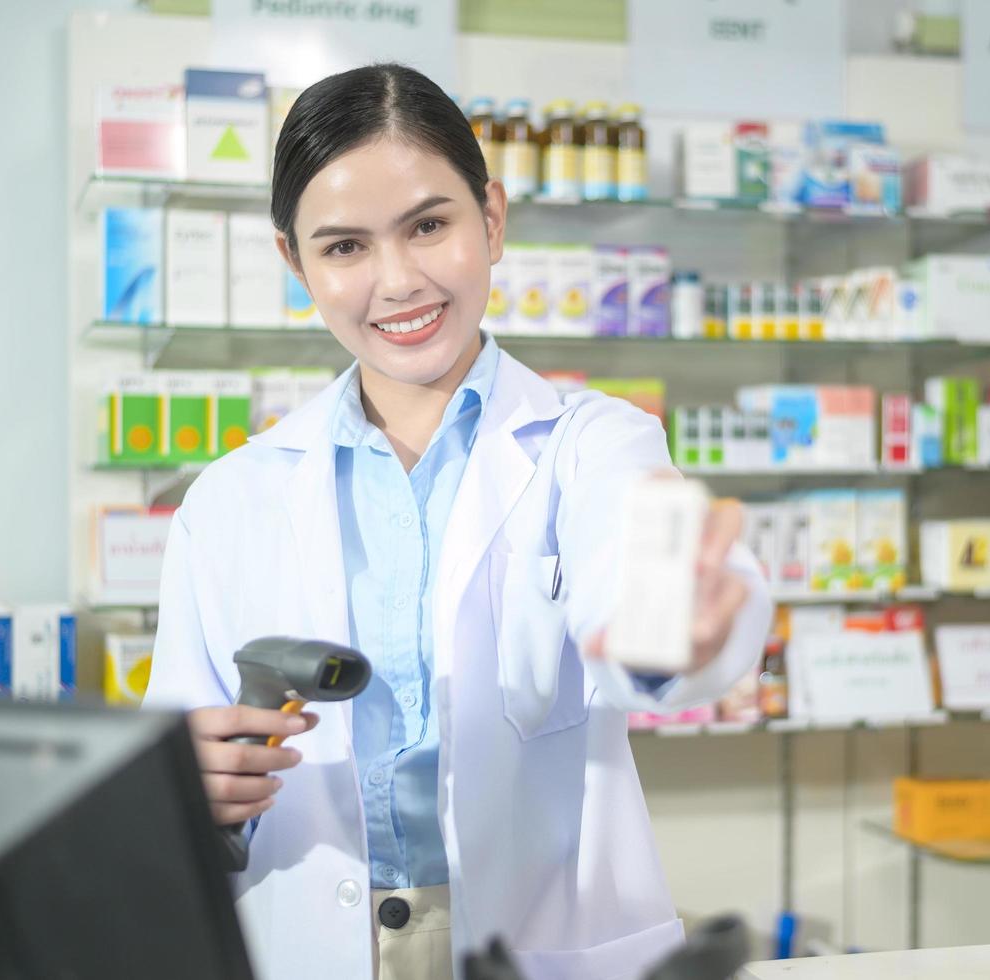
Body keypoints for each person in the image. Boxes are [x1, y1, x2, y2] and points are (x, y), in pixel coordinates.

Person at [142, 62, 773, 980]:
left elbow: (648, 596)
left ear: (492, 218)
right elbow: (176, 755)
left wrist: (676, 630)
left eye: (429, 225)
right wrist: (187, 786)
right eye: (344, 247)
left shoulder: (594, 445)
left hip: (532, 940)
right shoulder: (227, 500)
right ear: (295, 264)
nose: (397, 282)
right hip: (308, 941)